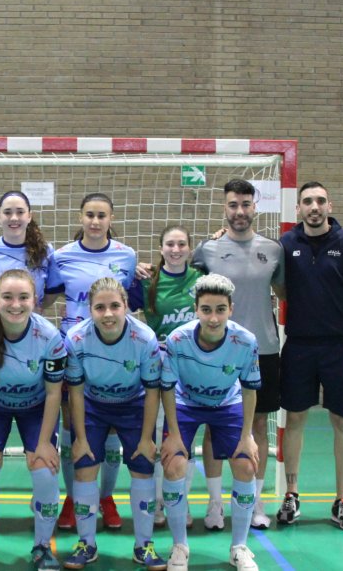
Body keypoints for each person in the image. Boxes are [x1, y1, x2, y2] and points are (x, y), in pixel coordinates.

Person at [277, 181, 343, 532]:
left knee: (342, 422)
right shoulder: (286, 244)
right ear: (298, 209)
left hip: (340, 348)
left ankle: (342, 500)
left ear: (329, 205)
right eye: (307, 201)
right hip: (299, 346)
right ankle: (292, 493)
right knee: (296, 419)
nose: (314, 206)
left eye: (320, 200)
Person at [0, 269, 68, 571]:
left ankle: (43, 546)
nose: (15, 304)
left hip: (36, 407)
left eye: (23, 297)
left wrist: (44, 443)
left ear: (35, 301)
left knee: (45, 472)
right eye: (7, 297)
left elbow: (54, 393)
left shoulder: (49, 336)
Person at [190, 179, 284, 530]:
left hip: (264, 349)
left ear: (254, 207)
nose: (240, 211)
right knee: (216, 427)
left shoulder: (273, 250)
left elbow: (284, 289)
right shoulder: (207, 250)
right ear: (225, 208)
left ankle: (255, 501)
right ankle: (215, 505)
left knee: (258, 424)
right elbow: (180, 276)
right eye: (233, 205)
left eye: (246, 204)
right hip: (219, 351)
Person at [45, 193, 139, 531]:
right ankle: (73, 497)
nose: (95, 221)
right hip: (75, 348)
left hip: (116, 351)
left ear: (111, 218)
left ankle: (106, 496)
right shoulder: (63, 256)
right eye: (89, 215)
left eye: (102, 215)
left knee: (111, 423)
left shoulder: (127, 256)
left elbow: (131, 300)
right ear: (81, 217)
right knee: (74, 426)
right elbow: (46, 297)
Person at [158, 274, 262, 571]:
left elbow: (250, 389)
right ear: (196, 310)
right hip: (185, 403)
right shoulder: (178, 339)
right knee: (174, 463)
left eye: (220, 309)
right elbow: (167, 387)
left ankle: (239, 547)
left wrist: (247, 436)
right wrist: (174, 435)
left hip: (227, 403)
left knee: (246, 463)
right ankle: (180, 547)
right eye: (206, 309)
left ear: (231, 309)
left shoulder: (245, 341)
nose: (213, 317)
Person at [61, 277, 166, 571]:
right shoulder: (77, 339)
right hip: (93, 406)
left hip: (134, 405)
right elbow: (76, 393)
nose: (108, 314)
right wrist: (79, 437)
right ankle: (87, 544)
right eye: (100, 307)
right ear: (90, 309)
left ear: (126, 307)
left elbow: (153, 391)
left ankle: (143, 545)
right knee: (84, 469)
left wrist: (147, 437)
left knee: (143, 469)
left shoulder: (144, 339)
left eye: (115, 306)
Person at [136, 224, 202, 529]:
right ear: (161, 249)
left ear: (190, 248)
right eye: (170, 245)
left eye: (181, 244)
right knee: (157, 435)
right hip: (158, 367)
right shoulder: (148, 281)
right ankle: (157, 503)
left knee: (183, 437)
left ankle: (180, 501)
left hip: (193, 366)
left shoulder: (201, 279)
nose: (176, 250)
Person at [0, 190, 56, 306]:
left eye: (20, 212)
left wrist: (37, 309)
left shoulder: (46, 250)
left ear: (29, 216)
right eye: (7, 212)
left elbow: (52, 293)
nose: (14, 218)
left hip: (30, 322)